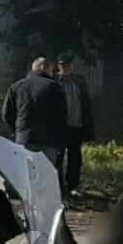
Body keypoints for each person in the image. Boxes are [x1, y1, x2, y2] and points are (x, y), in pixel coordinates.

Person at [1, 57, 69, 171]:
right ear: (42, 67)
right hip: (48, 141)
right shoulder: (54, 87)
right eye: (51, 70)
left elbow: (6, 114)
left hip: (24, 140)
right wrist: (60, 140)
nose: (52, 74)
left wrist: (18, 131)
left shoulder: (16, 86)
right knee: (45, 177)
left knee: (24, 176)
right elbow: (61, 115)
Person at [54, 52, 95, 198]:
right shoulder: (55, 83)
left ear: (72, 66)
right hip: (61, 128)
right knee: (57, 158)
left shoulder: (80, 83)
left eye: (68, 65)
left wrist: (88, 127)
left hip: (77, 126)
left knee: (75, 159)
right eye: (63, 66)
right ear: (58, 67)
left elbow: (86, 106)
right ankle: (58, 187)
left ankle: (72, 186)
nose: (66, 68)